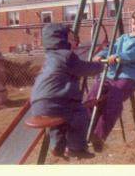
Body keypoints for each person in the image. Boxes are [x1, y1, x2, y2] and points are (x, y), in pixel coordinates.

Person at [88, 7, 135, 152]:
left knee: (114, 97)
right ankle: (84, 131)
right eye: (134, 23)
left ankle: (99, 136)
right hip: (111, 73)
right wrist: (102, 54)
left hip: (131, 75)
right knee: (93, 95)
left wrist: (119, 57)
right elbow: (110, 48)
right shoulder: (123, 38)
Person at [30, 23, 103, 159]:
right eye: (71, 39)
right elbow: (85, 69)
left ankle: (56, 145)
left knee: (58, 120)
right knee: (79, 114)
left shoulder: (49, 57)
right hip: (55, 100)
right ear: (61, 40)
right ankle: (76, 148)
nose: (75, 42)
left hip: (37, 104)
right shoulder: (67, 56)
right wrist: (100, 65)